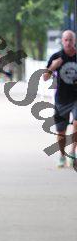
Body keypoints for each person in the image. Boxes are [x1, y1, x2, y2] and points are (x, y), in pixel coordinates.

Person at [43, 29, 77, 168]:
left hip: (76, 98)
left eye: (71, 40)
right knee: (61, 132)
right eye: (66, 40)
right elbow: (45, 77)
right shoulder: (57, 56)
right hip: (61, 99)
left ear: (74, 41)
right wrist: (53, 66)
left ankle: (73, 152)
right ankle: (62, 156)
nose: (68, 42)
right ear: (62, 41)